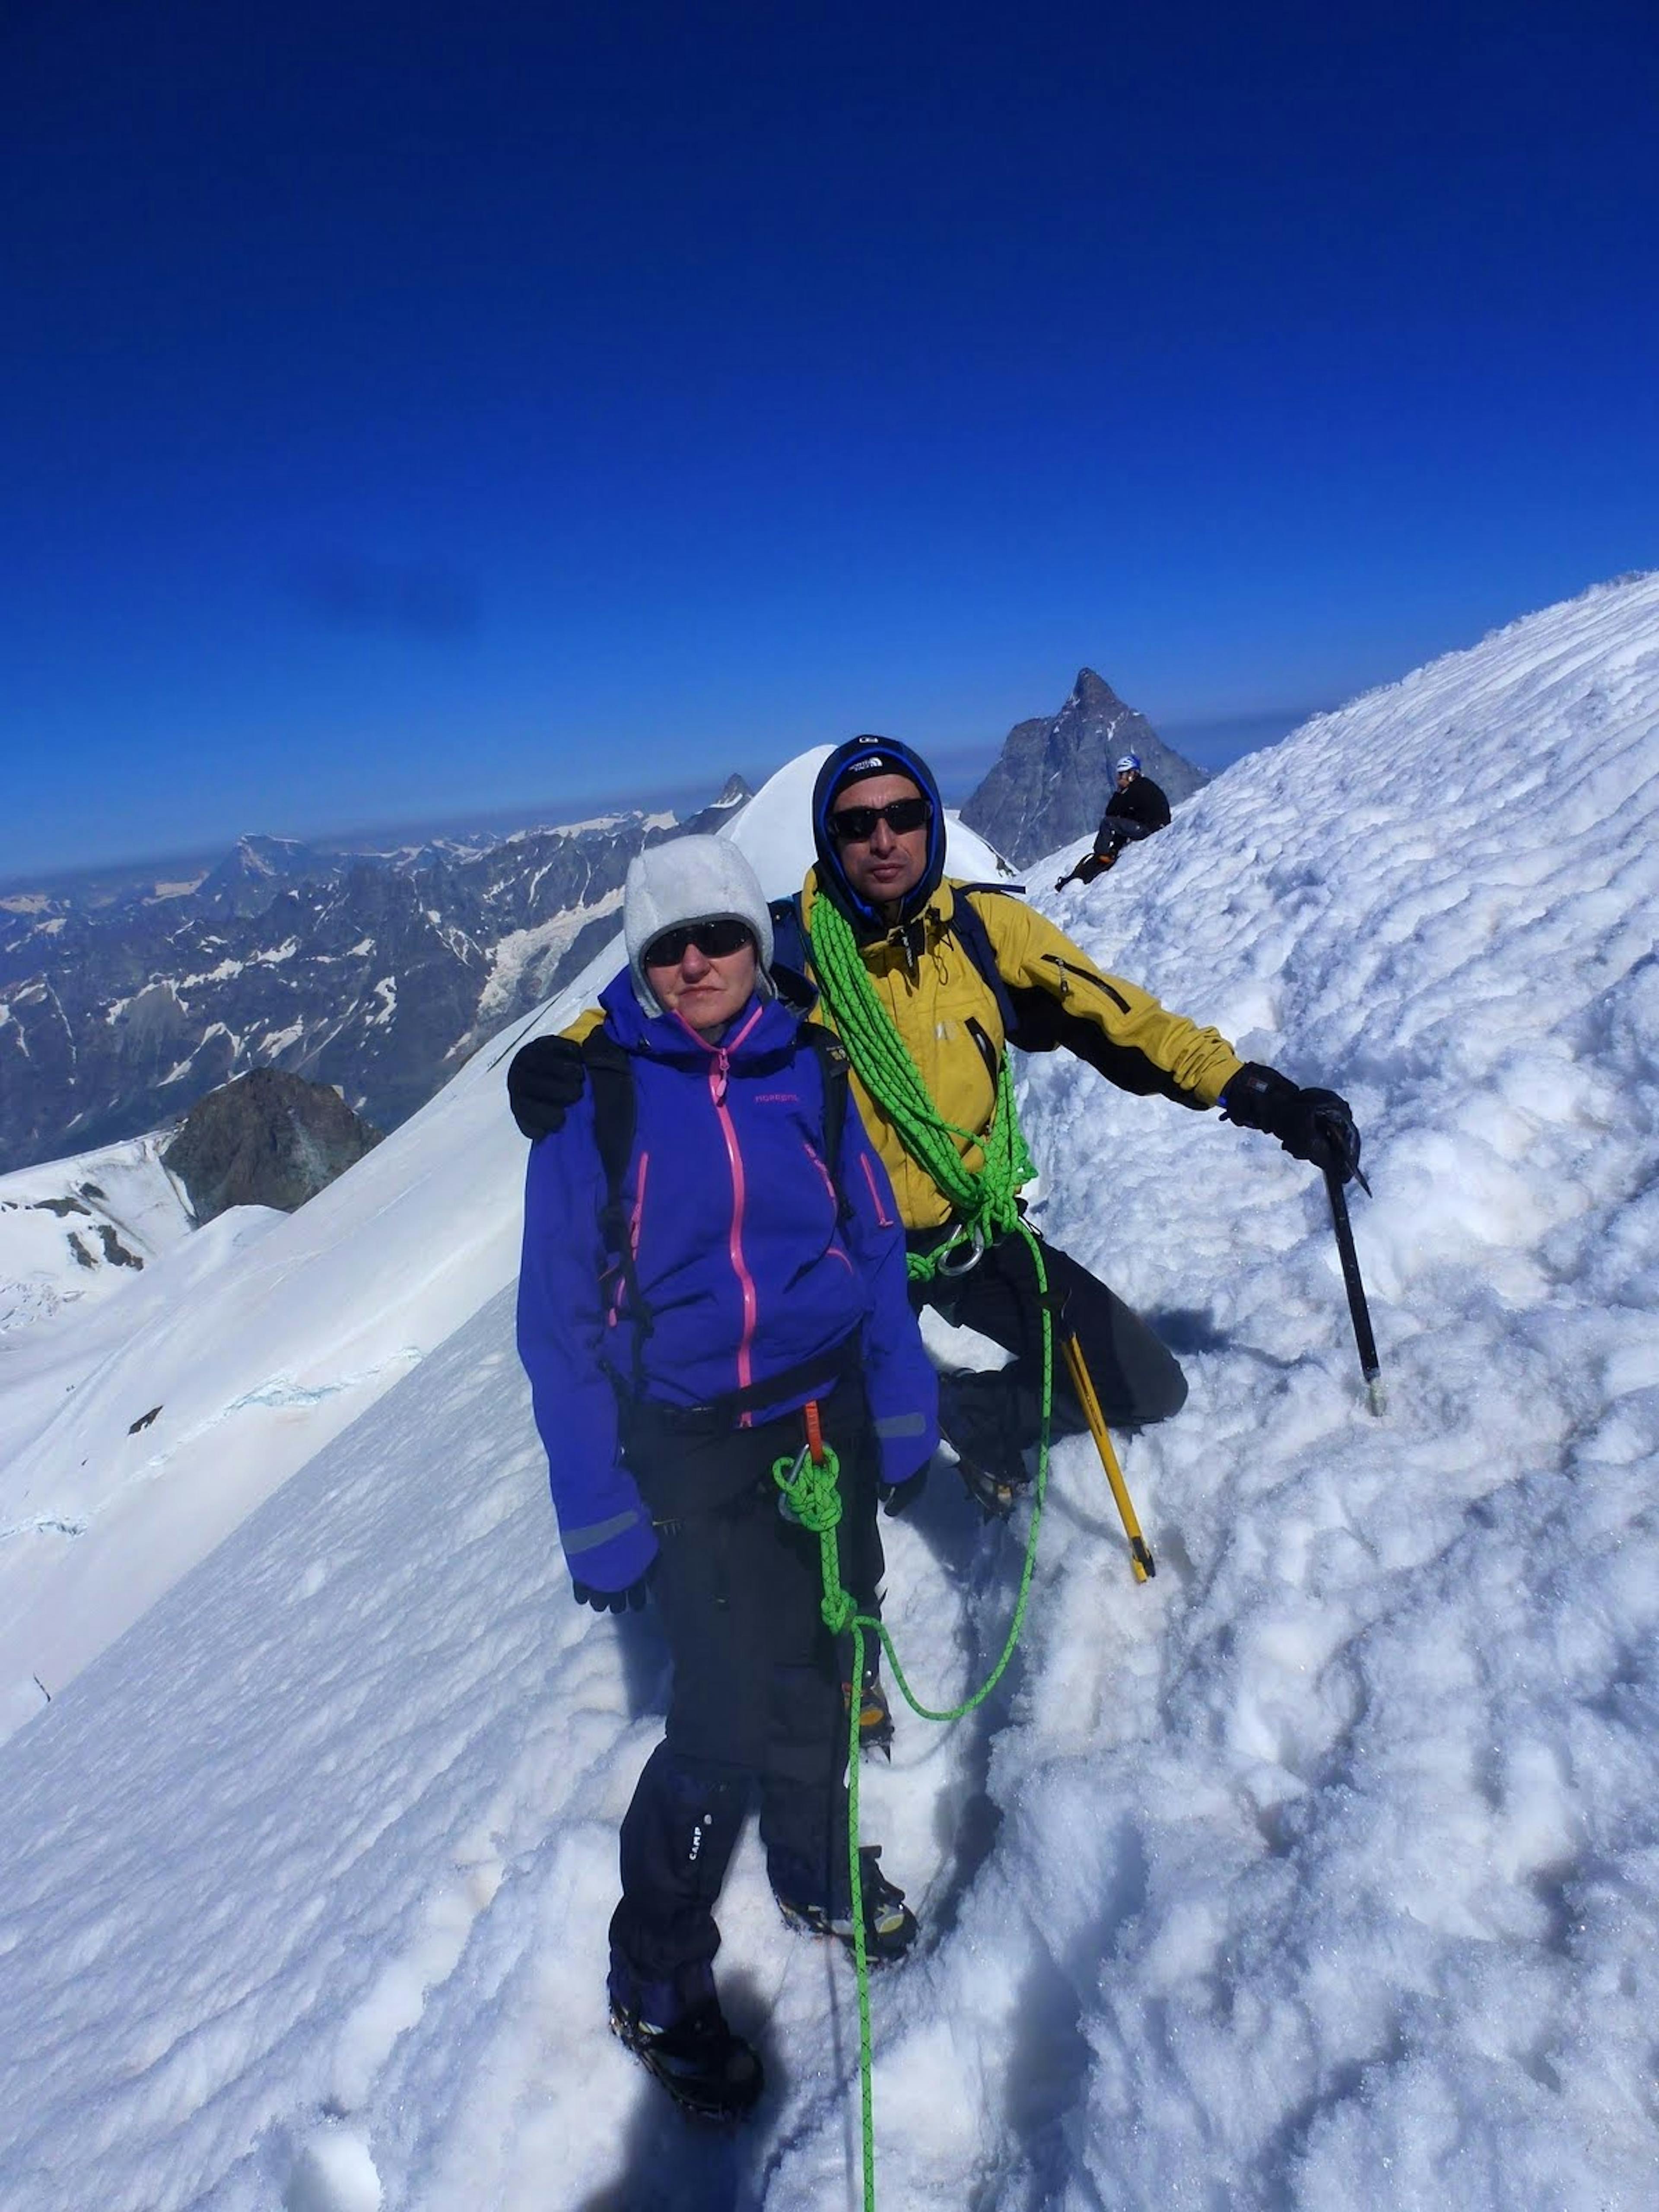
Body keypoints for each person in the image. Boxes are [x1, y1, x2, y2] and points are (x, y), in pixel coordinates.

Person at [511, 737, 1359, 1527]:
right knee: (834, 1452)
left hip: (971, 1230)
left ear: (931, 822)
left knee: (1144, 1383)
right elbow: (655, 1008)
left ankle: (976, 1415)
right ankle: (894, 1401)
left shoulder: (989, 934)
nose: (884, 839)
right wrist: (558, 1061)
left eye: (905, 816)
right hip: (836, 1257)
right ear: (828, 838)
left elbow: (1127, 1021)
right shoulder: (787, 954)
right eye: (857, 823)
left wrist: (1263, 1095)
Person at [515, 834, 937, 2122]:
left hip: (825, 1416)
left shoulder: (805, 1068)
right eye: (665, 946)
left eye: (715, 936)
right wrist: (596, 1509)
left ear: (756, 944)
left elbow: (870, 1246)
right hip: (690, 1436)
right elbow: (558, 1323)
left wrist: (904, 1403)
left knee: (826, 1646)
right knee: (714, 1715)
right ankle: (653, 1970)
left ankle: (809, 1865)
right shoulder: (597, 1096)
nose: (693, 961)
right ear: (639, 965)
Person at [1054, 751, 1173, 890]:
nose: (1119, 779)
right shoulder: (1143, 786)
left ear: (1132, 774)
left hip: (1150, 829)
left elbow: (1112, 812)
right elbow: (1125, 817)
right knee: (1120, 821)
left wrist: (1119, 793)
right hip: (1154, 826)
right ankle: (1109, 853)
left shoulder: (1135, 789)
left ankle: (1101, 854)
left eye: (1122, 775)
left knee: (1108, 823)